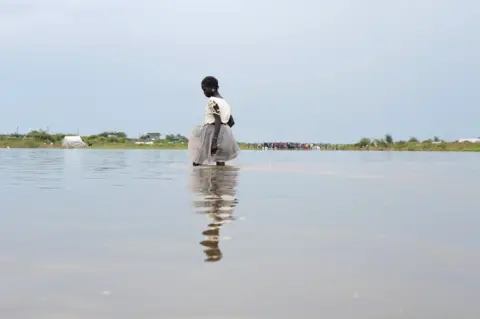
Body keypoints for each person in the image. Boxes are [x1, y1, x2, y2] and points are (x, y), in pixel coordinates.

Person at [188, 76, 240, 166]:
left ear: (212, 88)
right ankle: (221, 179)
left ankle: (198, 178)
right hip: (224, 133)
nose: (204, 92)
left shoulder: (212, 101)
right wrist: (223, 133)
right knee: (220, 161)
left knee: (198, 160)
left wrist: (214, 139)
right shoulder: (225, 102)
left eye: (204, 89)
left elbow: (217, 119)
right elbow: (231, 121)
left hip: (212, 131)